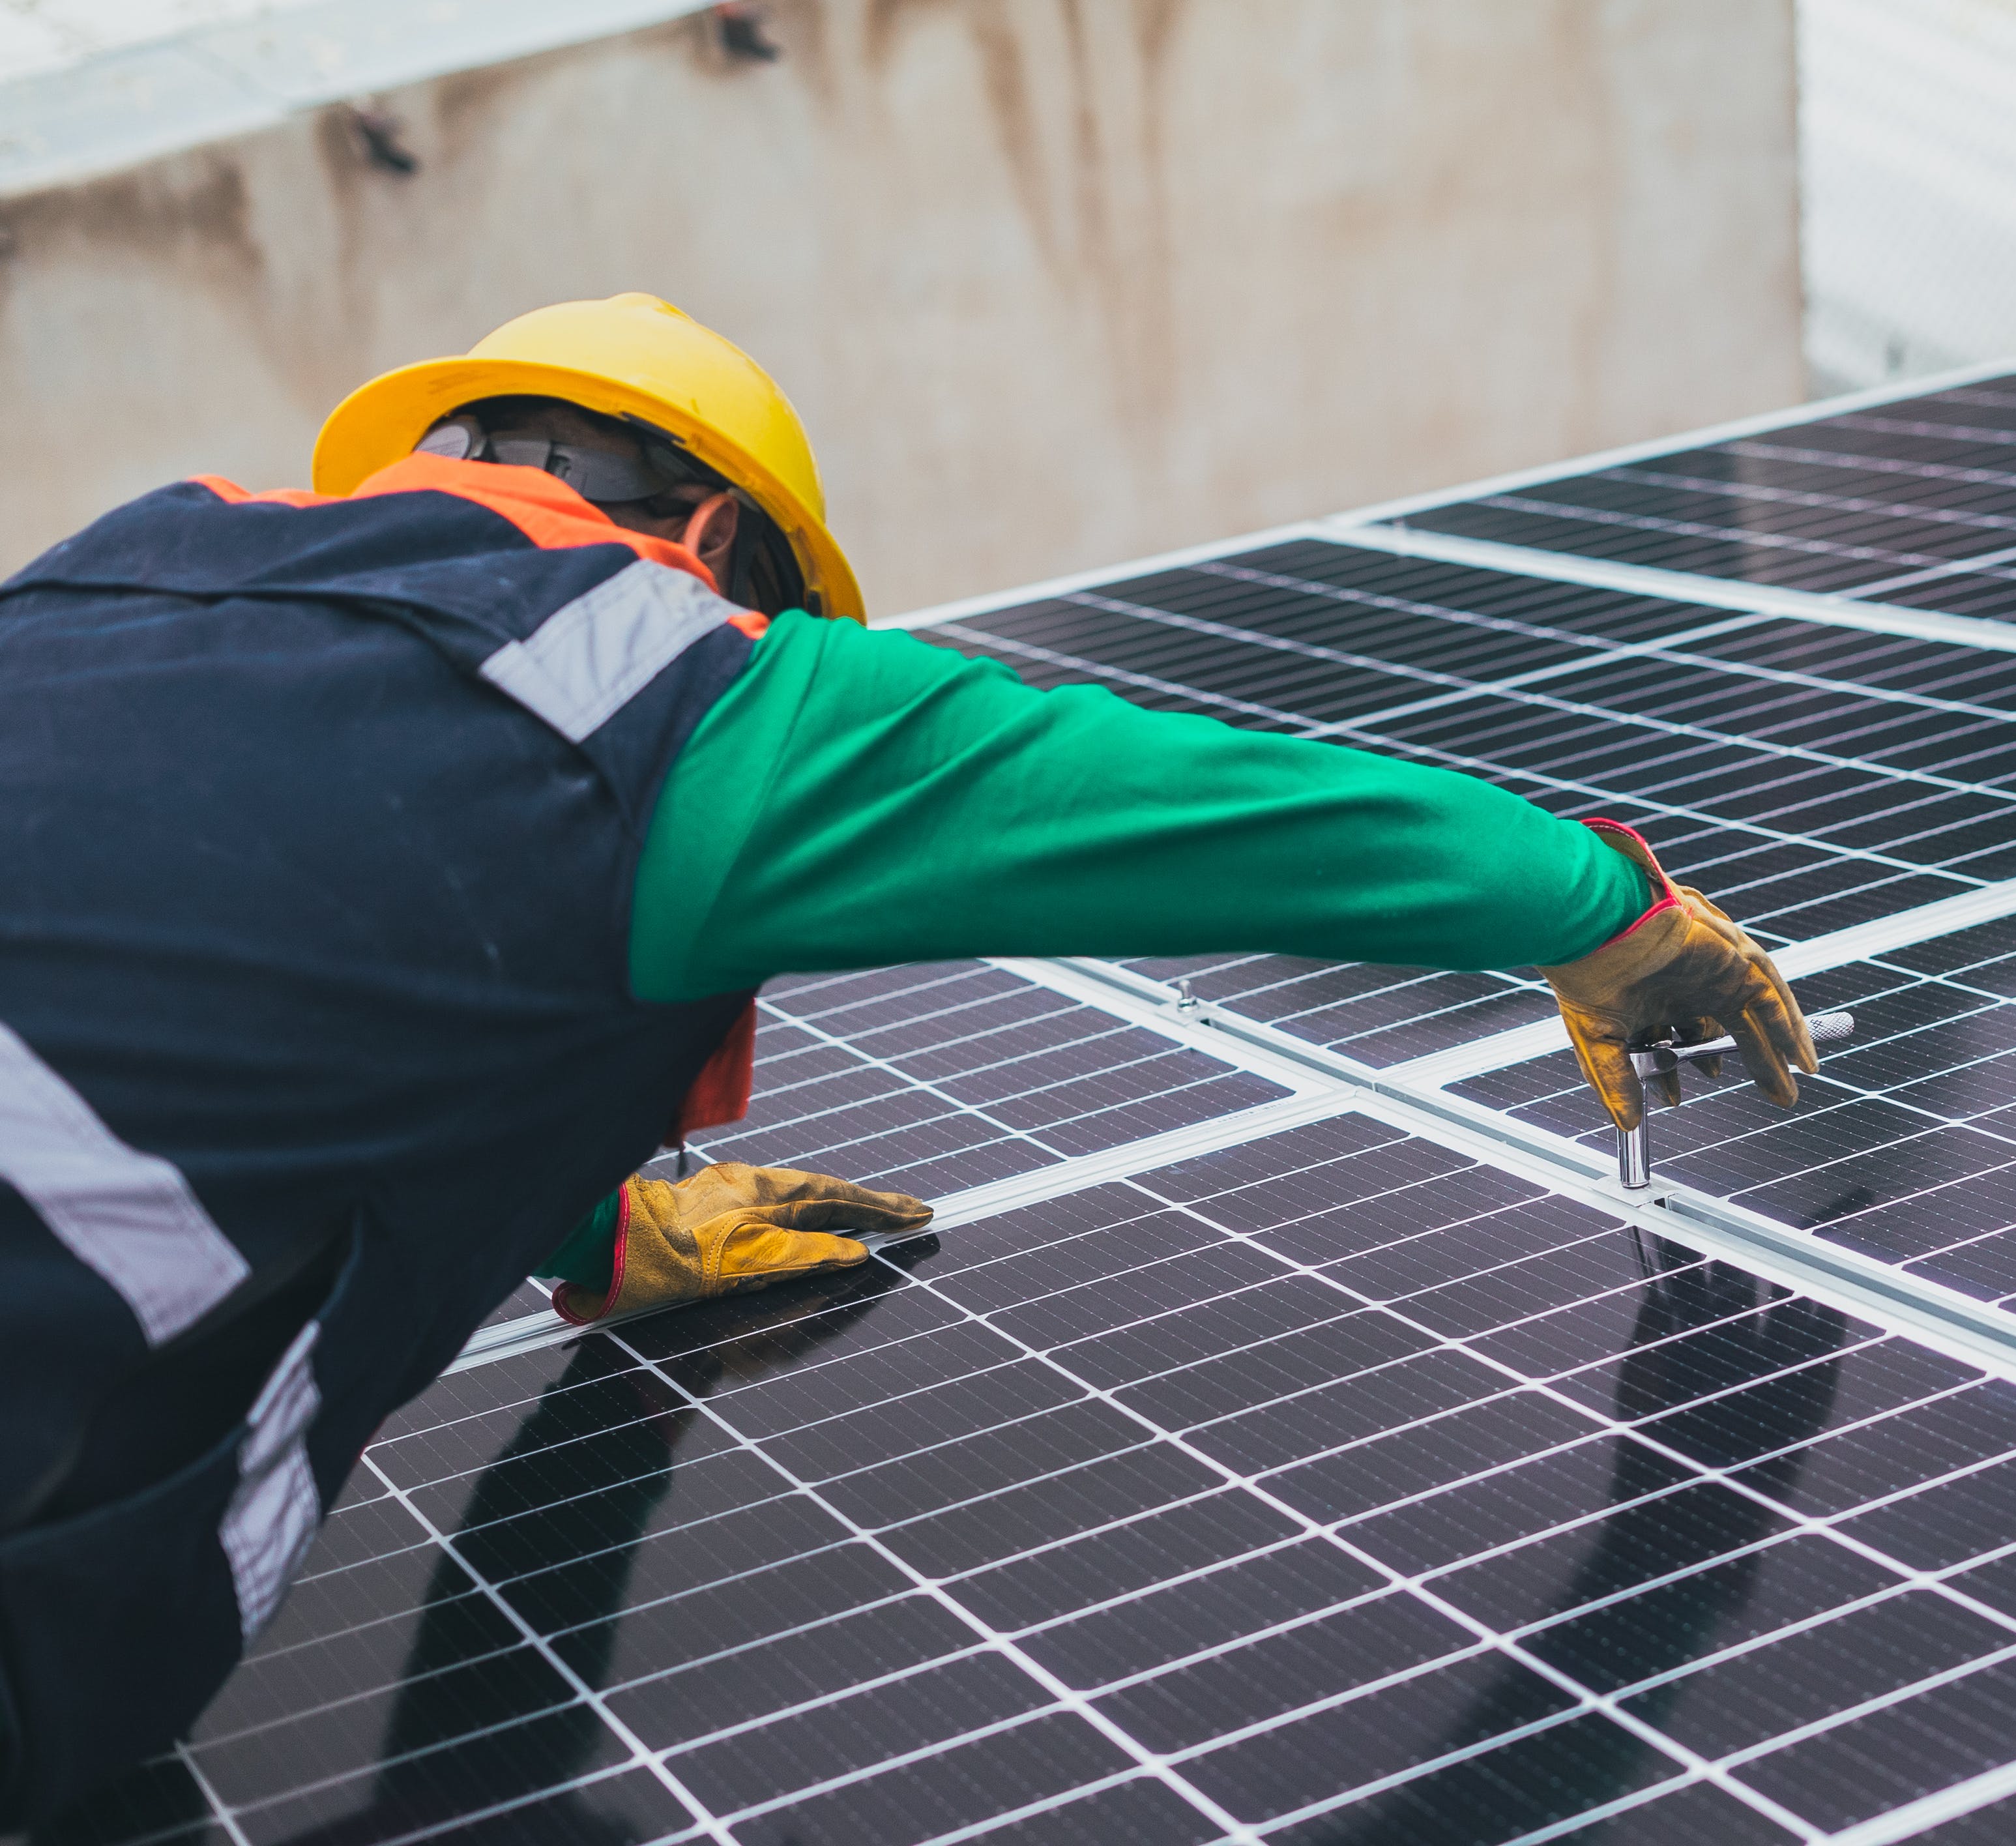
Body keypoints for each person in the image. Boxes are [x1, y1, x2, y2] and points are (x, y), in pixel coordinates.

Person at [0, 293, 1812, 1824]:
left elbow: (249, 953)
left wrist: (594, 1233)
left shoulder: (98, 580)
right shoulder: (676, 679)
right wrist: (1608, 913)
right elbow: (1213, 807)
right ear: (723, 547)